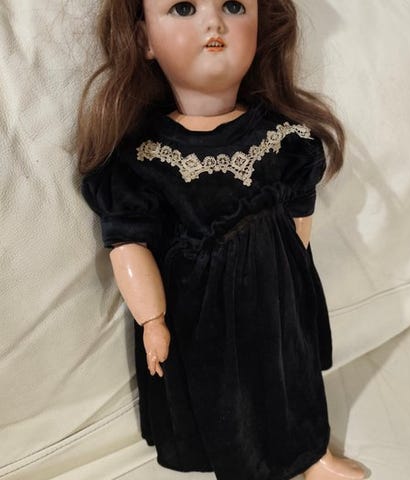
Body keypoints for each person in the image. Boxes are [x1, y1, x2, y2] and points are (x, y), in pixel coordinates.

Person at [77, 1, 368, 479]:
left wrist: (292, 285)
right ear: (145, 40)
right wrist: (152, 319)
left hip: (279, 305)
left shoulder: (286, 139)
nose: (213, 22)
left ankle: (313, 454)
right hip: (201, 316)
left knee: (292, 379)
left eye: (234, 6)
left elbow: (299, 223)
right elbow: (129, 245)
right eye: (183, 8)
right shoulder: (142, 159)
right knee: (227, 395)